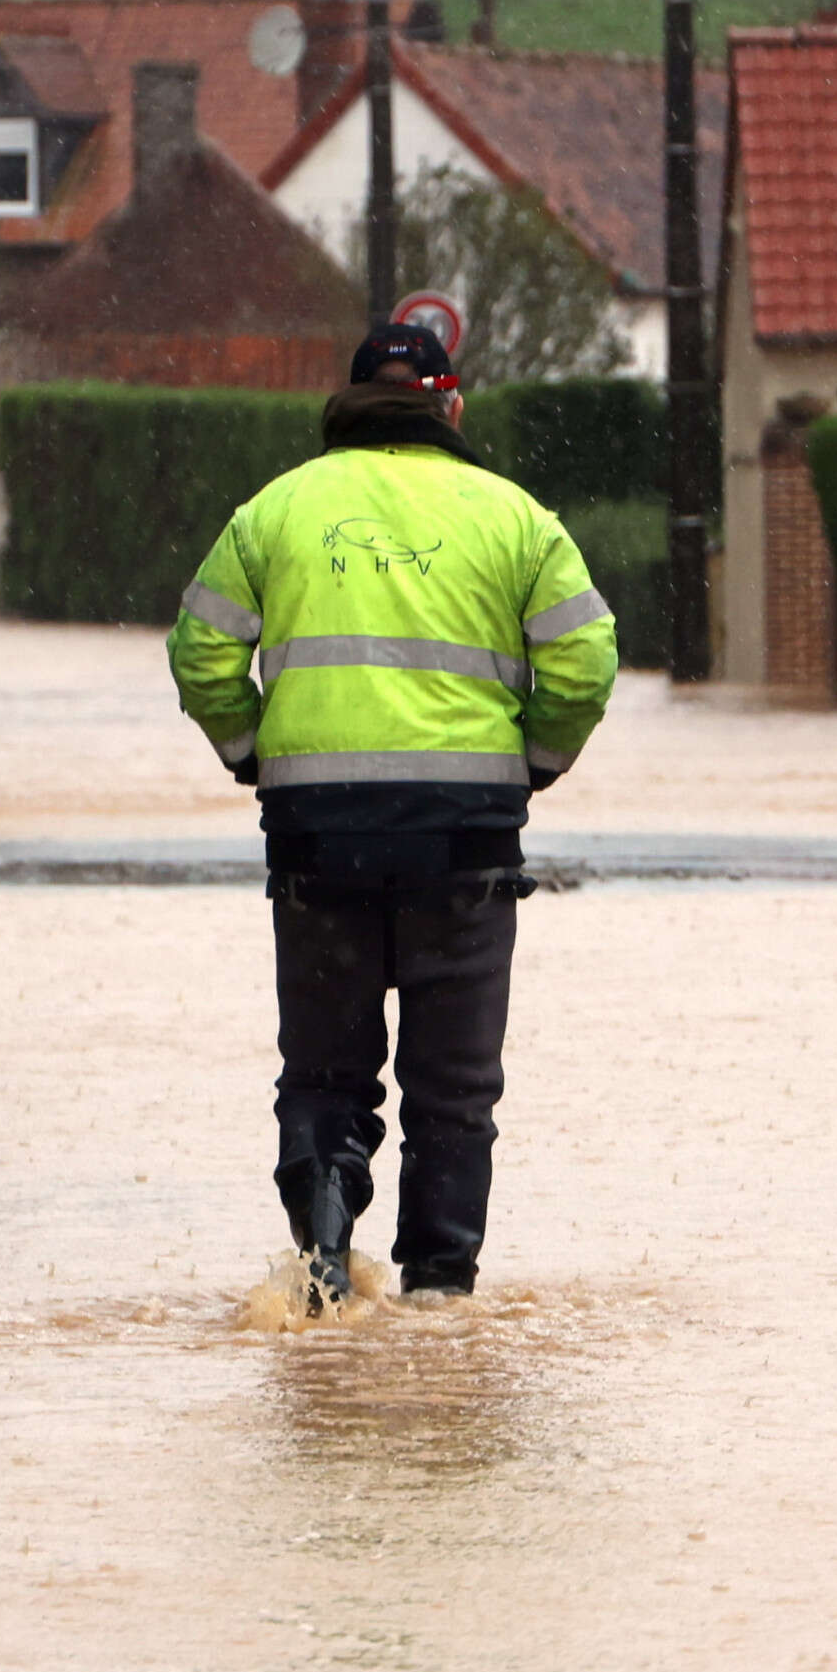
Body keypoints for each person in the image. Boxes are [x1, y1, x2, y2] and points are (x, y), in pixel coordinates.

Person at [165, 323, 620, 1312]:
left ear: (351, 401)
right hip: (465, 838)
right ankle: (438, 1300)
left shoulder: (274, 511)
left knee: (325, 1071)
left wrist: (255, 755)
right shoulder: (516, 519)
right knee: (452, 1086)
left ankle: (324, 1259)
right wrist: (531, 764)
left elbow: (199, 651)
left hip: (315, 834)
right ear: (449, 406)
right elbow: (587, 661)